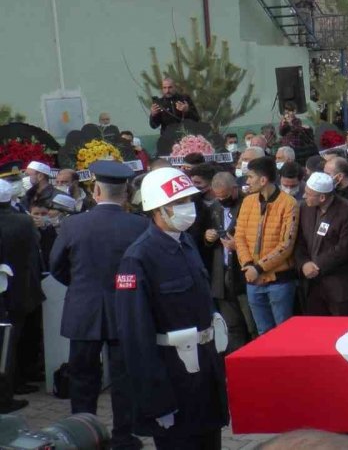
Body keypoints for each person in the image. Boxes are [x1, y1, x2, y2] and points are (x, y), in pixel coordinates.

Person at [115, 167, 228, 449]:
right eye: (178, 204)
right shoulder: (138, 258)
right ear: (158, 210)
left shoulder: (186, 242)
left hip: (204, 373)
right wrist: (157, 401)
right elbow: (136, 337)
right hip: (173, 381)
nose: (187, 208)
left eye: (188, 201)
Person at [49, 161, 147, 449]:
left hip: (84, 308)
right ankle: (123, 436)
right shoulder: (140, 225)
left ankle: (83, 433)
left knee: (82, 376)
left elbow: (56, 266)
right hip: (125, 309)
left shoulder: (73, 224)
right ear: (126, 192)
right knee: (124, 377)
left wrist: (81, 286)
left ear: (95, 190)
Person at [234, 157, 300, 334]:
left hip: (279, 281)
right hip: (252, 279)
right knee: (263, 332)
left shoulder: (289, 203)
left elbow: (286, 244)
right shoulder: (248, 202)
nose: (247, 181)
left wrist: (259, 267)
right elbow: (239, 236)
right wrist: (248, 265)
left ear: (263, 180)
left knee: (284, 333)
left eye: (250, 177)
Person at [295, 173, 348, 316]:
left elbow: (345, 248)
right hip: (312, 286)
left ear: (322, 197)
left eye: (308, 194)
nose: (304, 196)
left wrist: (316, 265)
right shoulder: (304, 208)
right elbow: (299, 240)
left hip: (339, 287)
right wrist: (304, 263)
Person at [0, 179, 43, 412]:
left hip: (9, 289)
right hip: (18, 289)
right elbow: (35, 245)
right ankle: (7, 394)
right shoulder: (24, 222)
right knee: (11, 343)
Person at [205, 172, 256, 353]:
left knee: (252, 325)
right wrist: (208, 237)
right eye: (218, 197)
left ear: (235, 189)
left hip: (243, 273)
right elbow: (207, 243)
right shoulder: (214, 208)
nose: (221, 200)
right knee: (231, 326)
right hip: (222, 274)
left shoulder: (250, 204)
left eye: (225, 196)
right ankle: (237, 361)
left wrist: (239, 246)